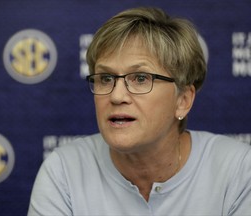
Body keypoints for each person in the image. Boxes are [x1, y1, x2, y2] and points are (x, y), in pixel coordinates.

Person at [28, 7, 251, 216]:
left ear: (182, 100)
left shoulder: (238, 170)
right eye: (106, 78)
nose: (116, 96)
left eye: (141, 79)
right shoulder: (64, 171)